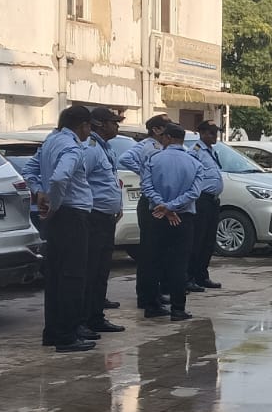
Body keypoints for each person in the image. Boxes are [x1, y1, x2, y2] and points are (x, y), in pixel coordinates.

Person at [38, 105, 98, 353]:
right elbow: (60, 178)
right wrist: (54, 204)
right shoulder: (72, 147)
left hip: (59, 218)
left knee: (55, 277)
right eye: (89, 127)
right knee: (73, 277)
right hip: (71, 215)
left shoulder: (51, 142)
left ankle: (53, 332)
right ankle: (67, 335)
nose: (89, 132)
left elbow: (33, 169)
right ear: (83, 125)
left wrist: (40, 194)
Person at [137, 124, 205, 321]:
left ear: (167, 138)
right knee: (179, 264)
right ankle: (177, 308)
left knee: (153, 261)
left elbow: (146, 186)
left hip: (156, 216)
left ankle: (151, 306)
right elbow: (194, 192)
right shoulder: (194, 163)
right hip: (183, 219)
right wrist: (172, 207)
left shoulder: (154, 159)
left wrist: (163, 206)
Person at [117, 114, 172, 309]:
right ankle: (147, 297)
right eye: (166, 126)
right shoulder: (148, 146)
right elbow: (125, 158)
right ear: (156, 130)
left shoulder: (163, 147)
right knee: (150, 253)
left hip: (158, 201)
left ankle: (154, 293)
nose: (170, 129)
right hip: (150, 202)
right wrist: (143, 171)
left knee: (159, 253)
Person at [84, 107, 129, 332]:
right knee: (92, 270)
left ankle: (96, 316)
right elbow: (81, 181)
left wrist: (117, 206)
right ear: (100, 124)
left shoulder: (105, 148)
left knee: (102, 270)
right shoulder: (91, 149)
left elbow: (110, 180)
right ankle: (88, 318)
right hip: (94, 217)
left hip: (106, 216)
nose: (117, 126)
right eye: (113, 122)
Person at [187, 122, 226, 292]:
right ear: (201, 133)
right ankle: (189, 277)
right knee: (197, 240)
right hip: (201, 200)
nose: (214, 136)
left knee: (208, 241)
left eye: (215, 133)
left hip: (212, 200)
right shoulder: (195, 151)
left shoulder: (211, 151)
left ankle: (202, 276)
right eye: (211, 133)